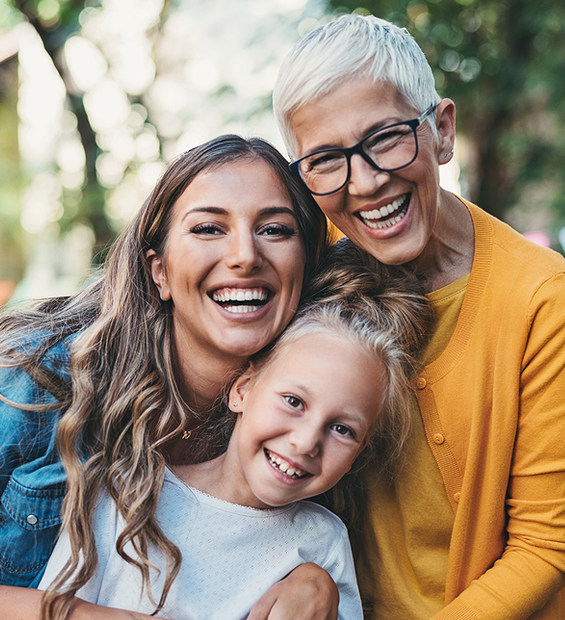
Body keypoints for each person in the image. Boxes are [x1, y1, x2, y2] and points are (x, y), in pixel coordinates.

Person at [273, 13, 565, 620]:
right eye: (326, 159)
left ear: (442, 131)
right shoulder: (303, 270)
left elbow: (546, 545)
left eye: (385, 138)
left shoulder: (541, 298)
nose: (367, 182)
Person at [0, 135, 336, 620]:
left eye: (275, 230)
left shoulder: (312, 420)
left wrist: (316, 578)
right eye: (208, 228)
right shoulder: (36, 381)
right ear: (159, 272)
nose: (245, 255)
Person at [37, 240, 431, 620]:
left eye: (343, 429)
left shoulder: (322, 544)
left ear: (360, 451)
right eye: (293, 402)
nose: (307, 441)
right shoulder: (128, 490)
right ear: (243, 390)